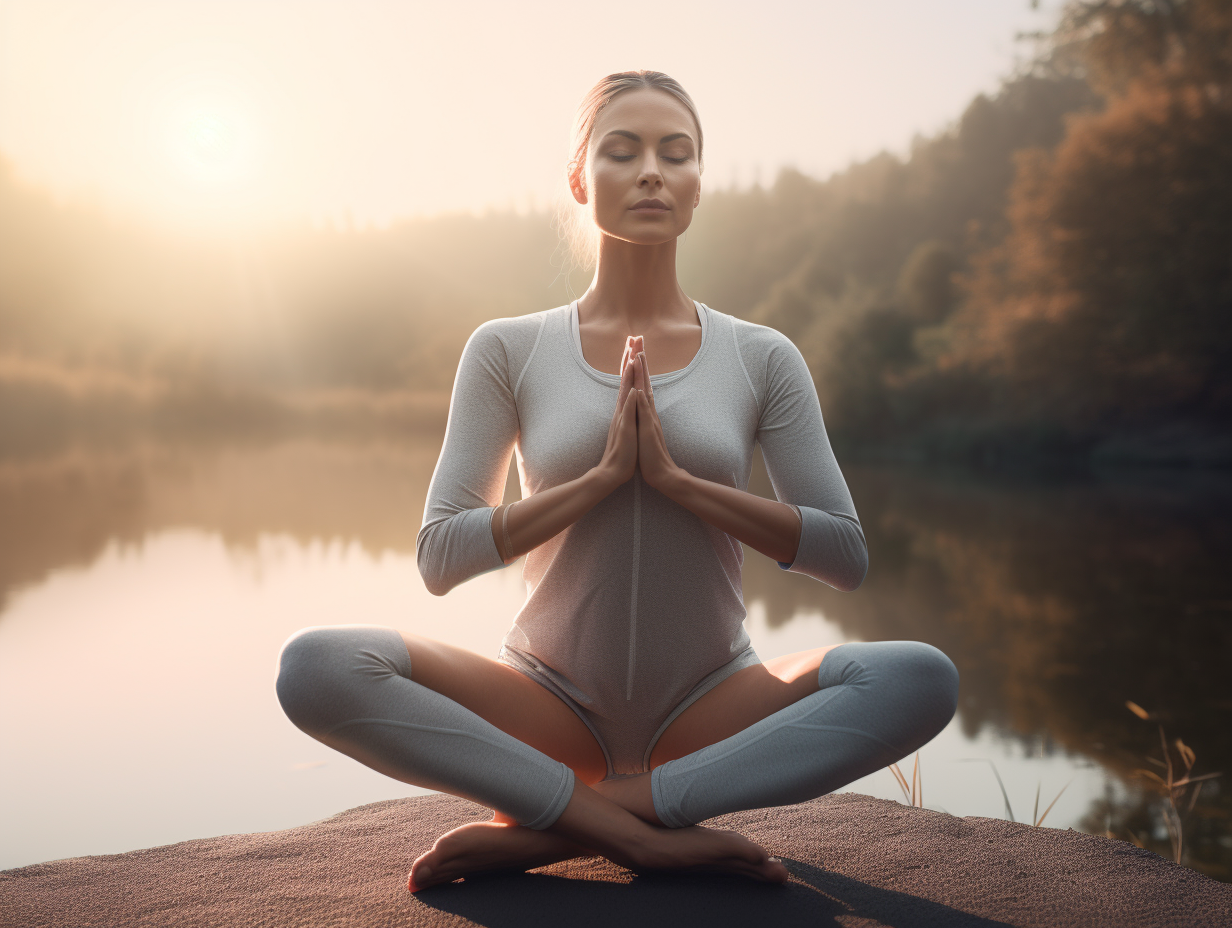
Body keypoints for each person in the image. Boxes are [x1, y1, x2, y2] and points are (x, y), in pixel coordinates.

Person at [275, 70, 959, 892]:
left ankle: (556, 829)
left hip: (711, 700)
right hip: (544, 698)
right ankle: (638, 830)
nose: (651, 172)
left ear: (699, 185)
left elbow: (844, 556)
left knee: (920, 676)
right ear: (578, 177)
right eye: (622, 150)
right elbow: (439, 558)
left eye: (677, 153)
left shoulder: (761, 356)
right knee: (313, 665)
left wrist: (683, 483)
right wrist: (597, 481)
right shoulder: (509, 349)